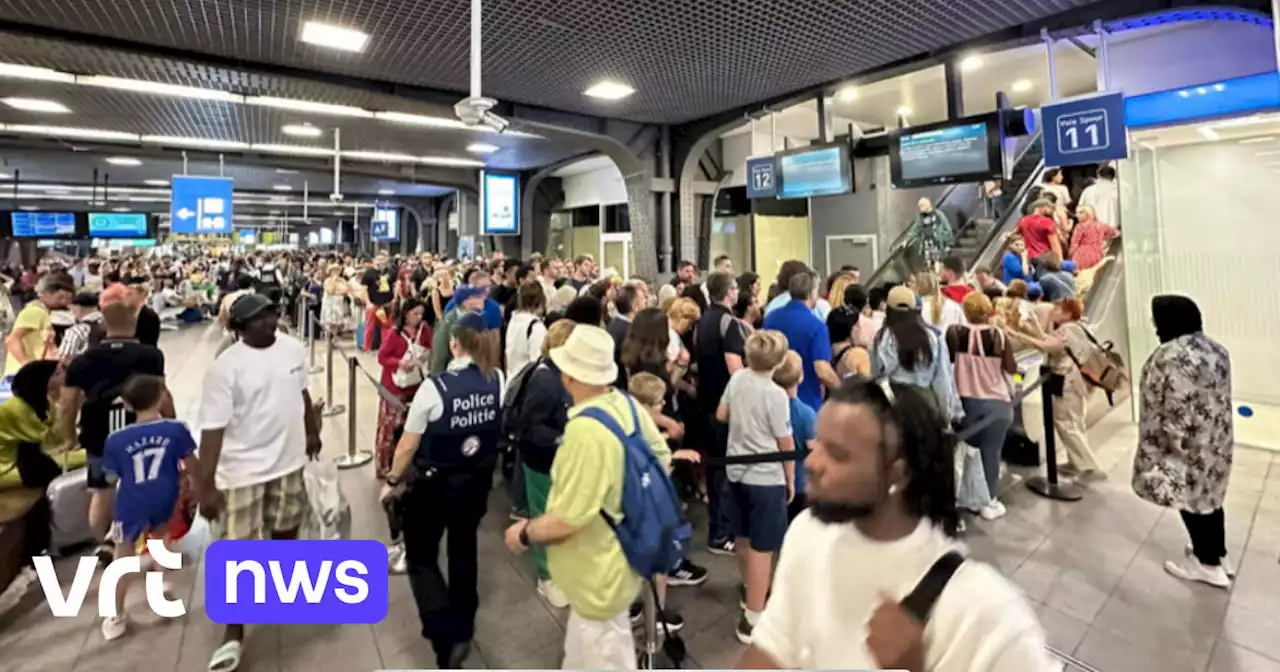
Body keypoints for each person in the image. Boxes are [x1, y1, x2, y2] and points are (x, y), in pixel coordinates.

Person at [737, 378, 1053, 672]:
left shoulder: (984, 612)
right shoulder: (808, 531)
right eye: (818, 443)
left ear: (897, 473)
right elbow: (772, 648)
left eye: (837, 453)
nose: (812, 462)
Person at [502, 325, 670, 669]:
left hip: (596, 575)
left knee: (604, 652)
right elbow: (661, 458)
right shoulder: (626, 404)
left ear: (572, 376)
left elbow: (568, 519)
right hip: (620, 563)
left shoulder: (582, 431)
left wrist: (524, 532)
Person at [196, 293, 322, 672]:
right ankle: (233, 632)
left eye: (271, 315)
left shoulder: (292, 349)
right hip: (241, 471)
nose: (268, 323)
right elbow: (212, 432)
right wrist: (205, 485)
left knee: (286, 525)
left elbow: (301, 392)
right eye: (257, 320)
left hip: (288, 461)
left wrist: (312, 430)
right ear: (238, 330)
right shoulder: (225, 369)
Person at [380, 312, 505, 668]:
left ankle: (446, 633)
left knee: (420, 556)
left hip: (434, 485)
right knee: (464, 546)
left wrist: (391, 481)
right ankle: (465, 618)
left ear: (454, 344)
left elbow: (407, 444)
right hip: (476, 481)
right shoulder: (497, 378)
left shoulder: (435, 387)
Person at [1133, 296, 1235, 588]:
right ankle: (1218, 554)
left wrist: (1171, 448)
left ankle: (1207, 564)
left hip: (1185, 447)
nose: (1153, 324)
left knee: (1189, 500)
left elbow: (1177, 406)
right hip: (1216, 439)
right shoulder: (1216, 349)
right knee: (1211, 497)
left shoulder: (1171, 356)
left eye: (1156, 318)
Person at [58, 301, 169, 565]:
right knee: (140, 485)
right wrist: (170, 422)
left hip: (98, 433)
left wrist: (68, 436)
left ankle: (105, 541)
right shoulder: (150, 356)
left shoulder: (83, 361)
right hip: (140, 432)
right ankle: (130, 540)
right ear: (134, 323)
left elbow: (67, 404)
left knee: (101, 491)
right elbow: (161, 394)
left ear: (103, 325)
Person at [98, 374, 200, 641]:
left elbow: (111, 477)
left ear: (127, 406)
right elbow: (191, 466)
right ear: (162, 396)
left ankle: (116, 615)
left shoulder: (116, 439)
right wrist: (194, 486)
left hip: (130, 502)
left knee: (122, 558)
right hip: (164, 498)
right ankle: (158, 595)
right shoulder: (176, 429)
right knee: (160, 544)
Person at [717, 329, 794, 644]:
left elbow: (722, 414)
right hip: (765, 478)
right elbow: (785, 442)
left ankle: (751, 590)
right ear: (778, 361)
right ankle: (753, 618)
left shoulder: (737, 380)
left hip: (734, 471)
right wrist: (790, 478)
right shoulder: (776, 395)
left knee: (743, 536)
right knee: (764, 547)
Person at [510, 319, 576, 608]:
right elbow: (531, 426)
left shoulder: (559, 373)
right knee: (543, 514)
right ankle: (547, 577)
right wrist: (563, 436)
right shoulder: (545, 379)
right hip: (541, 461)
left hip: (557, 459)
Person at [1013, 298, 1103, 480]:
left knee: (1065, 424)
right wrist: (1037, 325)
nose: (1053, 311)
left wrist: (1018, 335)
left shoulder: (1067, 330)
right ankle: (1076, 462)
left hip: (1067, 382)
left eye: (1058, 309)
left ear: (1068, 313)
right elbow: (1050, 340)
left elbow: (1046, 346)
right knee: (1075, 422)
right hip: (1076, 381)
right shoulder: (1078, 327)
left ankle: (1089, 467)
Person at [946, 293, 1017, 521]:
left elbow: (947, 361)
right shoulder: (999, 336)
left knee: (962, 452)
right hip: (997, 403)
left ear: (965, 311)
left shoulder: (955, 333)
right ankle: (988, 501)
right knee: (991, 452)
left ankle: (963, 495)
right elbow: (1011, 368)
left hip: (965, 403)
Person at [696, 271, 747, 556]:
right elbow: (735, 370)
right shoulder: (729, 323)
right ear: (728, 293)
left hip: (706, 404)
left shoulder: (703, 319)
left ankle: (719, 528)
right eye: (735, 287)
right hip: (723, 408)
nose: (737, 292)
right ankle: (721, 532)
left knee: (716, 470)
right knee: (724, 474)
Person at [869, 287, 963, 424]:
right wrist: (946, 414)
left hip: (893, 405)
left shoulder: (880, 339)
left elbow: (875, 376)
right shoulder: (933, 338)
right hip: (926, 406)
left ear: (887, 310)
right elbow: (942, 381)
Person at [762, 270, 840, 410]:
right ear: (811, 293)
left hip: (771, 399)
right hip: (806, 399)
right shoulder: (817, 326)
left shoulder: (770, 318)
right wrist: (843, 390)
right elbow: (822, 370)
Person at [376, 298, 432, 483]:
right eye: (415, 314)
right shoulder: (394, 333)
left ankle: (406, 464)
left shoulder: (424, 331)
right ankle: (384, 465)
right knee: (389, 428)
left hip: (415, 385)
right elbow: (382, 357)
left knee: (412, 428)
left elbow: (429, 349)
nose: (418, 318)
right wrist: (400, 362)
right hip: (394, 387)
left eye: (421, 314)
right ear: (405, 313)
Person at [774, 350, 817, 521]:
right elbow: (813, 451)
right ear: (801, 377)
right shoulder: (807, 414)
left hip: (775, 478)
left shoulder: (770, 409)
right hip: (800, 483)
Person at [4, 275, 73, 375]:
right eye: (60, 298)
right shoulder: (35, 312)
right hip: (20, 374)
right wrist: (26, 363)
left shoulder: (44, 313)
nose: (64, 303)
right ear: (44, 294)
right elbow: (12, 340)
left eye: (67, 299)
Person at [431, 284, 489, 373]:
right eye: (477, 297)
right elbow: (440, 355)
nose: (483, 299)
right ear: (466, 302)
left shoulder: (478, 317)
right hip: (456, 374)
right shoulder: (448, 323)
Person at [505, 282, 548, 377]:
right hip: (526, 385)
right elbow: (537, 363)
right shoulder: (536, 327)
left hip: (512, 381)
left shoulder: (513, 321)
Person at [1069, 204, 1120, 271]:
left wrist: (1069, 256)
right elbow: (1116, 233)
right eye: (1077, 212)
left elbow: (1074, 245)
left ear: (1088, 213)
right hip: (1097, 255)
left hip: (1081, 256)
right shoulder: (1102, 225)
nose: (1077, 215)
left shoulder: (1080, 227)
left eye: (1081, 212)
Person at [59, 292, 105, 362]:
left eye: (71, 309)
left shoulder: (76, 331)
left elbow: (64, 359)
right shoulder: (113, 326)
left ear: (78, 308)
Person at [1078, 165, 1119, 231]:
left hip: (1093, 230)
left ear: (1098, 175)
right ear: (1113, 176)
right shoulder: (1119, 191)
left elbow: (1080, 210)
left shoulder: (1088, 191)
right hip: (1114, 230)